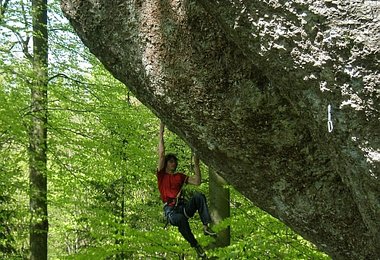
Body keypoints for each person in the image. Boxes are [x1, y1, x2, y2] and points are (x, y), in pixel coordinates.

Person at [157, 122, 216, 259]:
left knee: (199, 196)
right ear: (166, 164)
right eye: (171, 161)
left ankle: (206, 226)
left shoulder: (180, 177)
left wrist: (196, 163)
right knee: (181, 220)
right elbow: (161, 154)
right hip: (171, 211)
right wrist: (161, 131)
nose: (174, 163)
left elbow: (197, 181)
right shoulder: (161, 175)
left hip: (183, 208)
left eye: (174, 162)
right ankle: (196, 245)